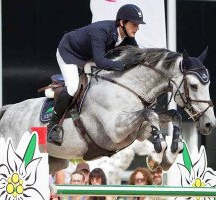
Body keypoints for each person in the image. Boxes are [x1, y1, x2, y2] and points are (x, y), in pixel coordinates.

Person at [47, 4, 146, 145]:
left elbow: (138, 55)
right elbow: (101, 62)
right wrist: (124, 65)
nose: (137, 28)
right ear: (122, 22)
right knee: (73, 87)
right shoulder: (101, 31)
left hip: (88, 56)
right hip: (69, 52)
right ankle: (53, 126)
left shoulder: (128, 37)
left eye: (138, 25)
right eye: (134, 24)